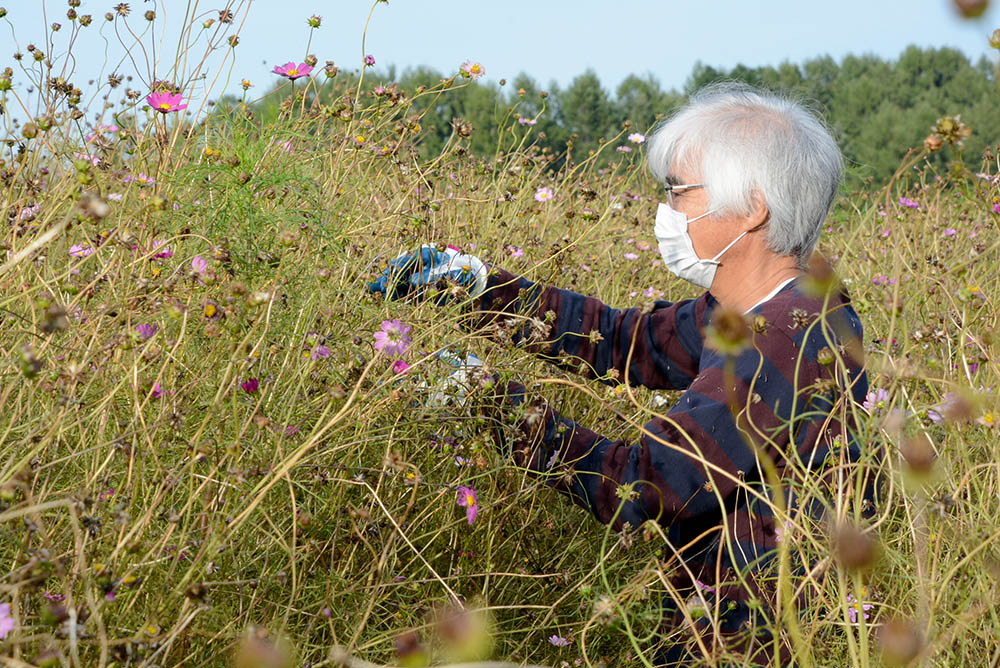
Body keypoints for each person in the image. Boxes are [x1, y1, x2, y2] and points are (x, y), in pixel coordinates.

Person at [369, 82, 874, 666]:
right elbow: (624, 343)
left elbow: (640, 484)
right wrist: (482, 289)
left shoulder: (780, 339)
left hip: (745, 640)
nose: (666, 211)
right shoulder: (762, 307)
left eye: (679, 191)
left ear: (753, 207)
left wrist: (484, 402)